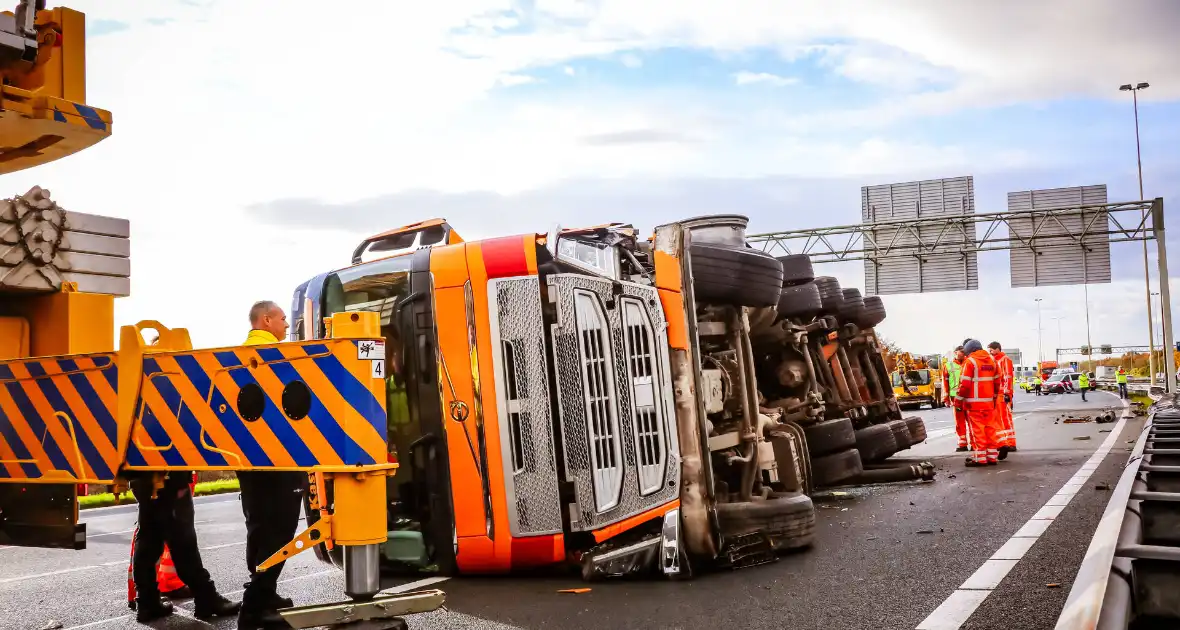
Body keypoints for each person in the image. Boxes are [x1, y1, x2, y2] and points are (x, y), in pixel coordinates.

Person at [237, 300, 306, 629]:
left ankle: (265, 593)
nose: (286, 323)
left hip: (247, 460)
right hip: (281, 458)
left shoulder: (234, 356)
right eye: (281, 318)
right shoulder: (281, 356)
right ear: (266, 320)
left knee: (258, 526)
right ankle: (255, 605)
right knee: (280, 530)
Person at [127, 471, 240, 622]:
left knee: (149, 537)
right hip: (169, 475)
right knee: (182, 539)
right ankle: (206, 597)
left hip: (141, 476)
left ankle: (147, 602)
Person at [957, 339, 1000, 467]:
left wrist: (958, 401)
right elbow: (997, 382)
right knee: (990, 430)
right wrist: (994, 397)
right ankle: (992, 457)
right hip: (989, 404)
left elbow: (964, 385)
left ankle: (980, 458)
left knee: (978, 431)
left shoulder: (970, 362)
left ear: (970, 351)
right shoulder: (992, 361)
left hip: (974, 404)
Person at [987, 342, 1017, 458]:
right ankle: (1004, 442)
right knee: (999, 419)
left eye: (992, 350)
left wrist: (1007, 393)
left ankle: (1011, 443)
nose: (990, 352)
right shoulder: (994, 360)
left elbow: (1008, 377)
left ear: (998, 349)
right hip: (997, 394)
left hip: (1003, 394)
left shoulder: (1005, 360)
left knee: (1005, 418)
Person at [941, 346, 967, 452]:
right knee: (959, 421)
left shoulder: (969, 363)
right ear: (955, 352)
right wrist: (946, 398)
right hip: (955, 397)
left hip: (968, 396)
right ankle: (962, 443)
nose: (963, 354)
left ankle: (975, 443)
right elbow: (945, 383)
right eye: (961, 352)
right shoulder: (948, 365)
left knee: (972, 421)